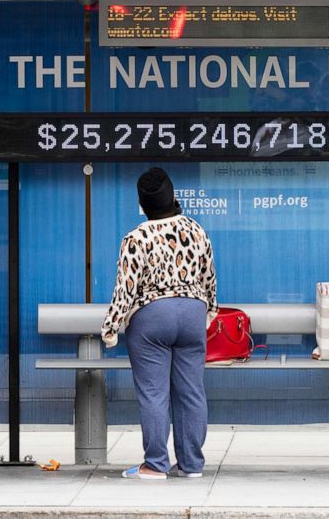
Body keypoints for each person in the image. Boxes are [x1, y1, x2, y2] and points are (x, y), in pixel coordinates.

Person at [101, 167, 218, 480]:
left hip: (152, 317)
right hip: (193, 314)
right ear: (173, 196)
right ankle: (192, 464)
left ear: (143, 204)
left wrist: (110, 327)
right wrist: (209, 312)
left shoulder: (136, 238)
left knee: (154, 394)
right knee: (192, 392)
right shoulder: (196, 230)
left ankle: (155, 464)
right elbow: (210, 279)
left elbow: (125, 288)